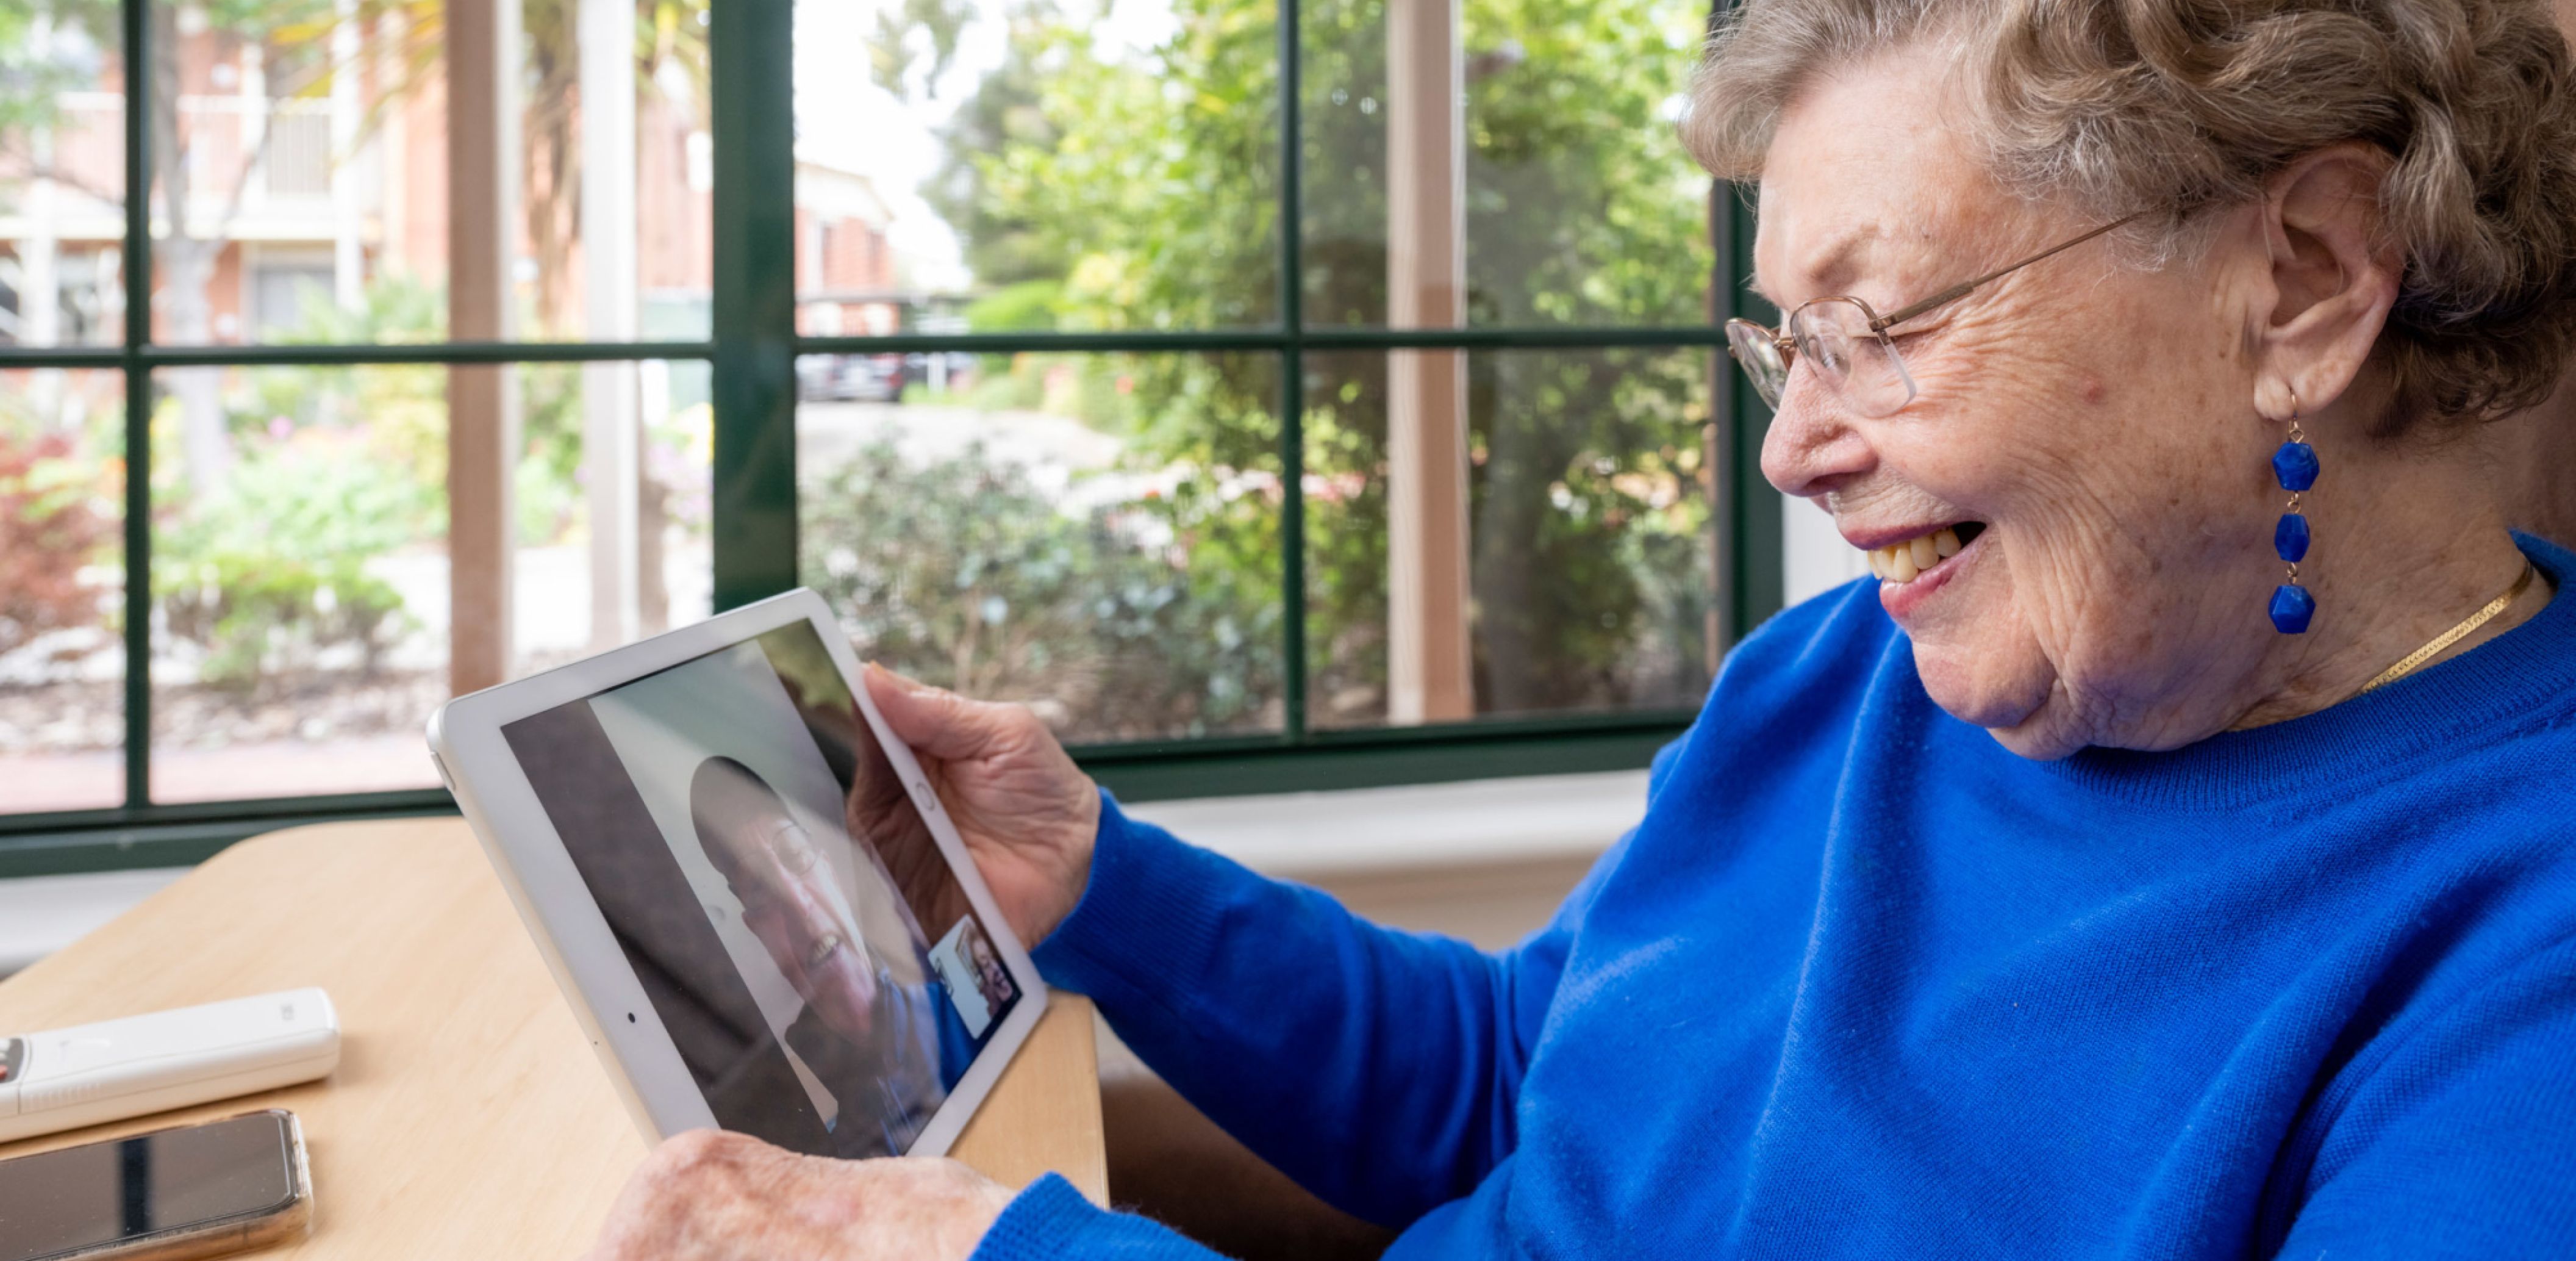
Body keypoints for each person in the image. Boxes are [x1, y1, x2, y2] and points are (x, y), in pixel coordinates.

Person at [581, 0, 2576, 1256]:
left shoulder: (2519, 959)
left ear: (2302, 279)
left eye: (1876, 325)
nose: (1794, 444)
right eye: (1780, 342)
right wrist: (1091, 875)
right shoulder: (1845, 679)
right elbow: (1535, 1080)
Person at [687, 756, 959, 1159]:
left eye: (798, 859)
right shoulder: (805, 1150)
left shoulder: (955, 1012)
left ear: (829, 872)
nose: (798, 903)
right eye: (760, 889)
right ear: (756, 930)